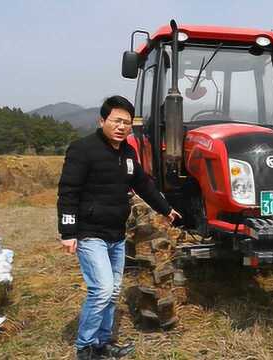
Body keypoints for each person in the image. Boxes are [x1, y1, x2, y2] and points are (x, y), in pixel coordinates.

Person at [57, 95, 181, 360]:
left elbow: (143, 183)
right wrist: (68, 233)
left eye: (126, 122)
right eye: (116, 120)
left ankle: (103, 343)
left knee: (112, 292)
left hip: (116, 234)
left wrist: (165, 208)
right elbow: (68, 192)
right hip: (90, 233)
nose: (122, 126)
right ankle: (85, 347)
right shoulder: (83, 149)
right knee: (101, 290)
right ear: (102, 120)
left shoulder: (128, 152)